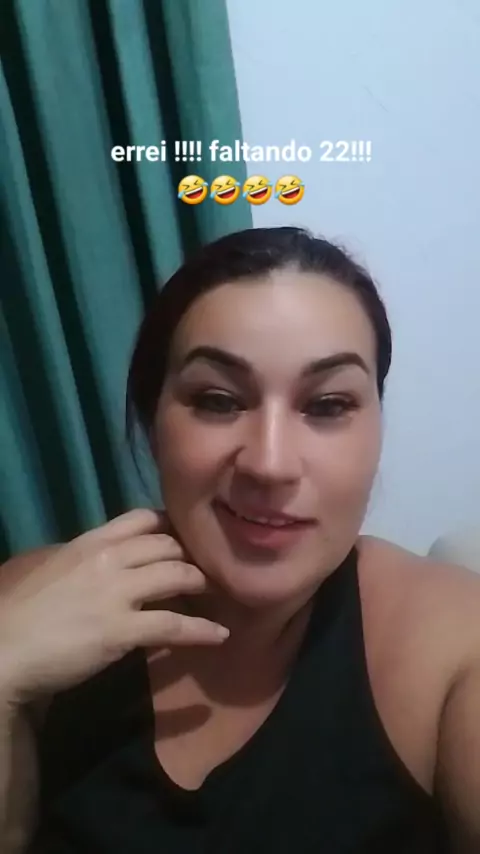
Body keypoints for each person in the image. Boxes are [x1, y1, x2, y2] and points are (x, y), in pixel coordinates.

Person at [1, 226, 479, 854]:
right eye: (218, 400)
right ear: (153, 423)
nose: (269, 464)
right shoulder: (30, 604)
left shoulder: (453, 644)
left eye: (327, 405)